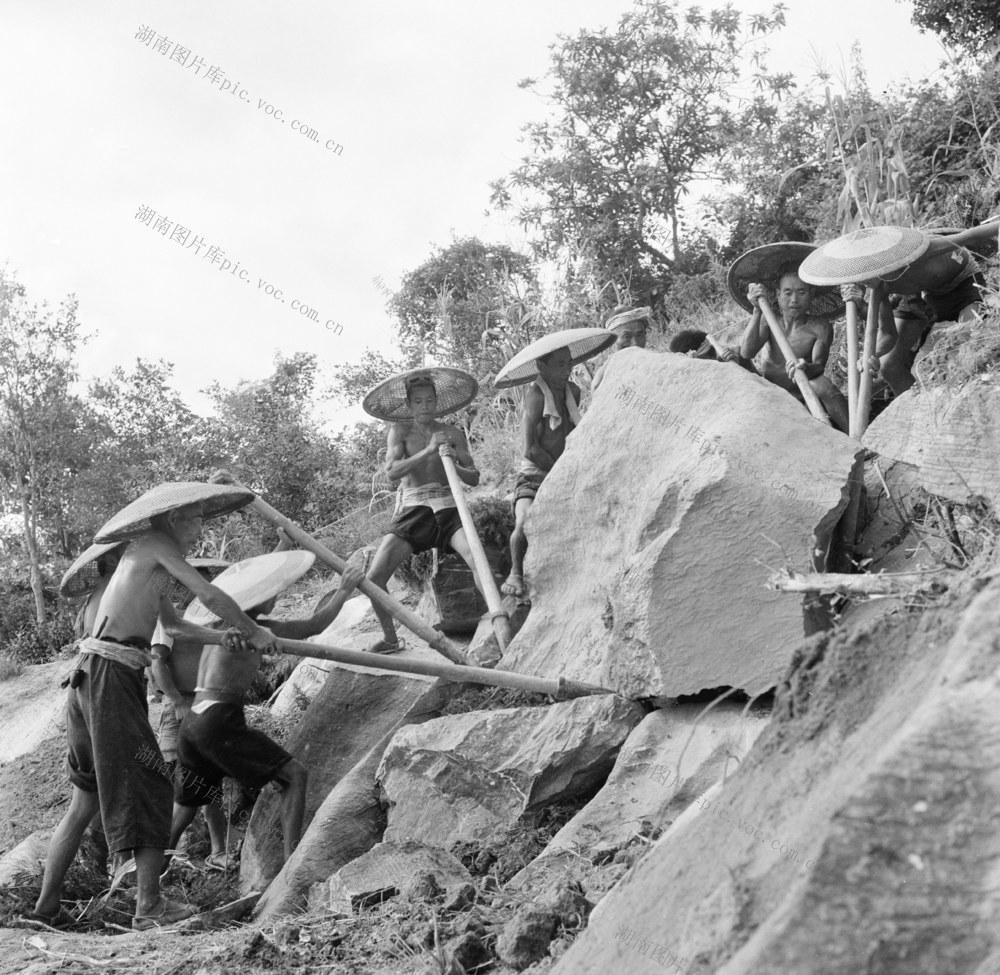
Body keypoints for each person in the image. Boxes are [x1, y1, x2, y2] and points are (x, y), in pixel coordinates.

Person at [31, 485, 279, 931]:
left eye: (203, 519)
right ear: (172, 519)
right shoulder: (157, 544)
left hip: (90, 677)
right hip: (111, 678)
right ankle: (149, 907)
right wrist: (250, 628)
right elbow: (209, 596)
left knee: (84, 800)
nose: (200, 528)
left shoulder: (147, 564)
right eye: (196, 519)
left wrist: (224, 636)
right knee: (152, 780)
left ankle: (47, 908)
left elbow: (174, 626)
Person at [168, 553, 365, 864]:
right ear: (255, 601)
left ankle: (147, 879)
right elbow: (314, 624)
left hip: (193, 721)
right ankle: (291, 867)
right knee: (294, 776)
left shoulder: (221, 628)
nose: (276, 596)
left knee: (186, 805)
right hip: (218, 720)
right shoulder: (251, 628)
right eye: (271, 593)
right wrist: (344, 589)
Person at [365, 372, 486, 653]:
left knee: (477, 558)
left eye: (429, 400)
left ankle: (496, 620)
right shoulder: (400, 432)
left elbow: (475, 478)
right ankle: (390, 638)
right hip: (415, 508)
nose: (424, 405)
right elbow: (392, 472)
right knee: (373, 578)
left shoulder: (453, 433)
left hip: (448, 506)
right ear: (409, 405)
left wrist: (453, 463)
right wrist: (429, 450)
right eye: (418, 401)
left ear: (436, 402)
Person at [867, 222, 998, 393]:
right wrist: (871, 356)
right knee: (888, 365)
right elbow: (888, 335)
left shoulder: (921, 250)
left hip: (964, 282)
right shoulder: (879, 286)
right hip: (924, 293)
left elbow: (970, 235)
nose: (865, 282)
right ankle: (919, 412)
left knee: (967, 346)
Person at [502, 347, 580, 598]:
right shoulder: (535, 397)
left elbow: (570, 428)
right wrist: (556, 471)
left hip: (565, 466)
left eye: (568, 363)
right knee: (523, 521)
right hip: (534, 472)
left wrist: (568, 466)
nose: (566, 370)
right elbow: (530, 449)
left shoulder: (573, 392)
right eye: (559, 364)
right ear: (541, 367)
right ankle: (515, 572)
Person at [740, 270, 850, 432]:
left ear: (811, 294)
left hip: (804, 397)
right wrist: (757, 311)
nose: (794, 300)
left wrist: (805, 367)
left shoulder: (820, 326)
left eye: (801, 292)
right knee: (735, 354)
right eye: (788, 292)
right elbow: (746, 353)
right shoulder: (769, 319)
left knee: (821, 384)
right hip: (772, 395)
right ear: (778, 294)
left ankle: (856, 435)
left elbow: (819, 365)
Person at [591, 305, 651, 392]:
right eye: (626, 337)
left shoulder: (655, 363)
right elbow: (596, 388)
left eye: (639, 335)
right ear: (613, 341)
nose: (635, 343)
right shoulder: (606, 374)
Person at [668, 329, 757, 373]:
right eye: (708, 354)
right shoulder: (693, 373)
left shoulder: (735, 352)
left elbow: (761, 381)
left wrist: (737, 365)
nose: (713, 357)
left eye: (712, 351)